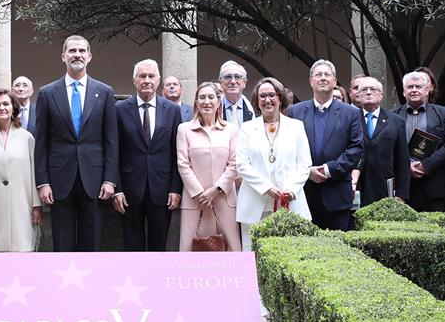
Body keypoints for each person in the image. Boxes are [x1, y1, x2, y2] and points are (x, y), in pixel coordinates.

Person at [34, 35, 119, 251]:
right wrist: (42, 182)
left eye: (82, 51)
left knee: (92, 241)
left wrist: (110, 179)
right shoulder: (47, 93)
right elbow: (42, 141)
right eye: (72, 51)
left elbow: (111, 141)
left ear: (89, 56)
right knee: (62, 242)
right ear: (63, 56)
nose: (77, 54)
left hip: (95, 179)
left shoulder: (105, 92)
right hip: (59, 179)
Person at [113, 60, 182, 251]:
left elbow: (177, 154)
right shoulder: (119, 109)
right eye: (142, 76)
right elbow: (114, 153)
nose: (147, 80)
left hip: (162, 191)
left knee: (159, 247)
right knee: (132, 247)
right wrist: (117, 189)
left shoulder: (172, 110)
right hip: (128, 191)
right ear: (134, 80)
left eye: (151, 76)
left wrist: (176, 189)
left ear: (158, 80)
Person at [236, 77, 311, 250]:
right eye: (262, 96)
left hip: (289, 202)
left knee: (290, 255)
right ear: (257, 100)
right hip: (255, 203)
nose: (267, 100)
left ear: (280, 98)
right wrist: (266, 187)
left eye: (272, 95)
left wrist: (292, 190)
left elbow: (304, 163)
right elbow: (242, 164)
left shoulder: (296, 127)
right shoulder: (247, 128)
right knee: (253, 254)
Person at [287, 60, 363, 230]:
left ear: (334, 82)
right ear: (311, 81)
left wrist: (328, 170)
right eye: (318, 75)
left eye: (327, 74)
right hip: (303, 193)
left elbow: (356, 148)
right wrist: (308, 171)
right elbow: (288, 148)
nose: (322, 78)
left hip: (337, 193)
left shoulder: (351, 113)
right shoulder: (295, 111)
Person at [177, 82, 242, 252]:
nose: (207, 101)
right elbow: (183, 164)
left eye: (211, 97)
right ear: (196, 103)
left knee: (232, 248)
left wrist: (216, 189)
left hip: (224, 198)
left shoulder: (231, 130)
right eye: (202, 97)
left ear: (218, 103)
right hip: (195, 200)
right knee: (189, 250)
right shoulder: (184, 129)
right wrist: (200, 193)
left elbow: (235, 163)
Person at [0, 88, 41, 251]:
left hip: (21, 206)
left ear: (13, 108)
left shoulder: (27, 138)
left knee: (21, 252)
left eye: (6, 104)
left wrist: (36, 205)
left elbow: (34, 174)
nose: (1, 108)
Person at [392, 71, 445, 212]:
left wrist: (425, 165)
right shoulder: (392, 115)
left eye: (418, 86)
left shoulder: (443, 113)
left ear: (427, 90)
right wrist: (406, 165)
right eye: (410, 87)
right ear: (404, 92)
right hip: (404, 186)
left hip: (436, 185)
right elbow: (388, 148)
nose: (414, 90)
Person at [353, 77, 411, 206]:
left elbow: (402, 160)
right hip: (356, 187)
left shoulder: (396, 121)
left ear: (381, 95)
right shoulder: (350, 118)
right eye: (364, 90)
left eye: (373, 89)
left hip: (384, 188)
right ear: (358, 95)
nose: (368, 92)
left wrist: (401, 194)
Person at [218, 61, 255, 126]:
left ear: (244, 83)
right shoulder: (213, 109)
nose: (233, 81)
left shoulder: (256, 111)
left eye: (237, 77)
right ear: (221, 83)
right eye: (228, 77)